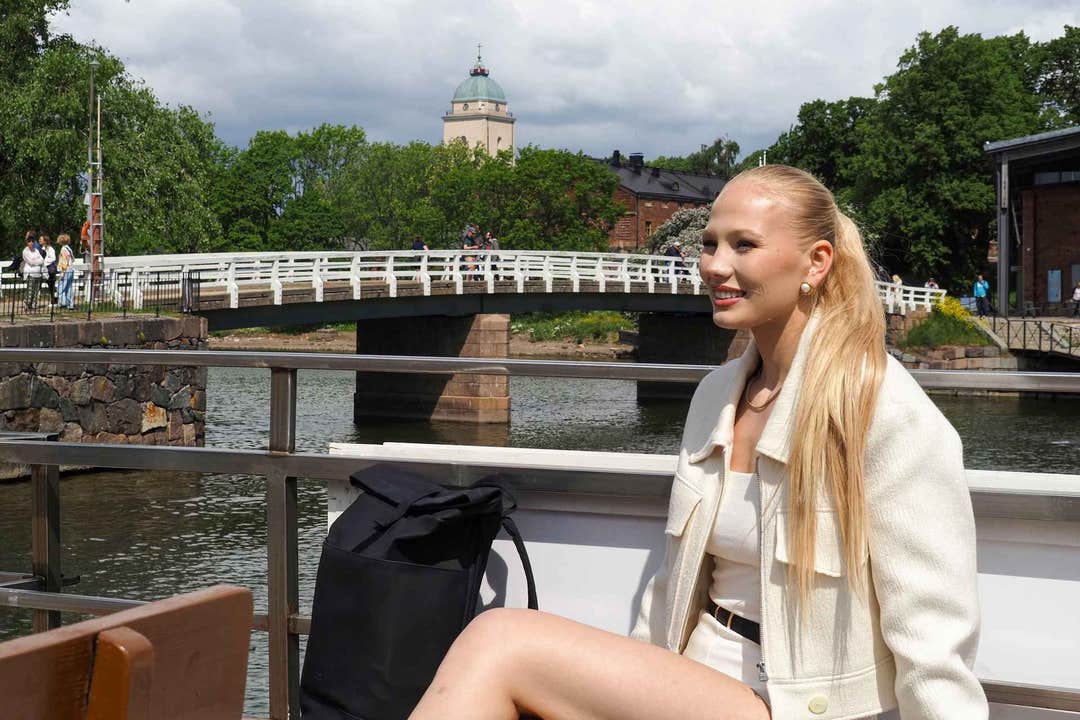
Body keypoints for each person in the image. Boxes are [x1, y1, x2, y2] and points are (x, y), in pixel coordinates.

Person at [408, 165, 986, 720]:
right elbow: (672, 586)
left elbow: (932, 634)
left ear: (817, 262)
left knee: (501, 640)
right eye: (709, 244)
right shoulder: (716, 395)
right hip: (690, 678)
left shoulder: (881, 408)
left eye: (744, 245)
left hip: (790, 702)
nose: (714, 266)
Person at [21, 235, 45, 310]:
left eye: (32, 241)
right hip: (30, 273)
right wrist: (36, 261)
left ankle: (34, 305)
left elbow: (42, 260)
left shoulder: (36, 250)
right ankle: (27, 305)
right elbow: (30, 262)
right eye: (29, 241)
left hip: (38, 274)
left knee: (36, 291)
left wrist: (35, 261)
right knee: (30, 291)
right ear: (27, 242)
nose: (31, 243)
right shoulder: (25, 251)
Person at [56, 234, 75, 309]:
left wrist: (62, 272)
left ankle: (62, 302)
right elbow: (73, 259)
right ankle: (70, 304)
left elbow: (64, 261)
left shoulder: (63, 249)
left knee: (61, 286)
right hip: (71, 269)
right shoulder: (69, 248)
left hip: (65, 270)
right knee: (69, 287)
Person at [40, 235, 57, 305]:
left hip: (50, 269)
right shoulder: (43, 249)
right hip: (44, 270)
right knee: (49, 285)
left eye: (41, 239)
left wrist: (45, 262)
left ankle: (54, 301)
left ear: (45, 241)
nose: (39, 240)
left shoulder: (50, 249)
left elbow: (53, 258)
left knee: (51, 285)